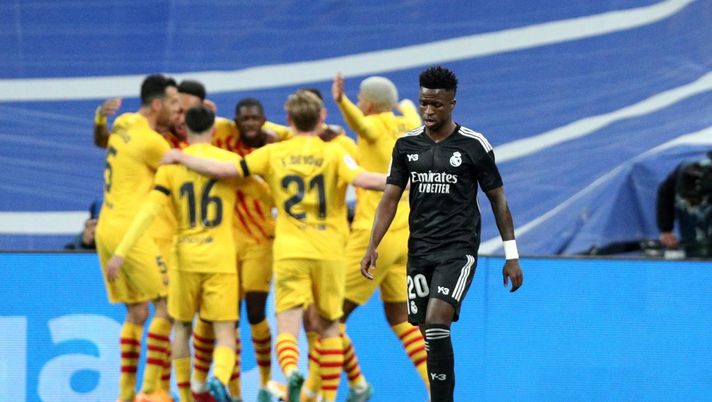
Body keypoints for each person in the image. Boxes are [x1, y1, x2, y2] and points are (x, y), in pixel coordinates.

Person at [161, 90, 388, 402]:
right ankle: (328, 396)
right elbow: (366, 180)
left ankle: (291, 369)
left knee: (287, 326)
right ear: (321, 118)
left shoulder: (273, 154)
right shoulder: (334, 153)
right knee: (330, 326)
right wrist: (407, 177)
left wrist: (182, 156)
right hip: (330, 250)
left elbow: (227, 170)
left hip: (291, 249)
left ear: (289, 120)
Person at [360, 66, 523, 402]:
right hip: (419, 251)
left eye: (436, 104)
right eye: (424, 104)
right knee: (426, 332)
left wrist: (512, 255)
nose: (429, 111)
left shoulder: (474, 145)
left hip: (458, 249)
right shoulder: (406, 145)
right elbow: (390, 198)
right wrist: (372, 244)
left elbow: (498, 199)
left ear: (452, 104)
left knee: (436, 321)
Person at [106, 105, 246, 402]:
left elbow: (149, 209)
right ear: (213, 129)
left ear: (185, 129)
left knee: (180, 326)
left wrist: (121, 251)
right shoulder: (231, 162)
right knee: (224, 333)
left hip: (184, 259)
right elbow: (263, 190)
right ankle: (215, 379)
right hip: (220, 258)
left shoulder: (170, 166)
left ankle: (187, 393)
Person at [330, 72, 426, 402]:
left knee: (326, 317)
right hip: (406, 237)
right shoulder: (410, 125)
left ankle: (347, 386)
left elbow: (362, 125)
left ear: (368, 105)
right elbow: (412, 111)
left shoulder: (372, 128)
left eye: (359, 100)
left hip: (375, 235)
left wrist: (341, 101)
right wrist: (406, 104)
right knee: (401, 318)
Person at [94, 74, 181, 402]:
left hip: (106, 227)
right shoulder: (153, 143)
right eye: (172, 103)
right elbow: (184, 170)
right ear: (156, 104)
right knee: (167, 306)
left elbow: (101, 140)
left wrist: (100, 117)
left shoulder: (124, 122)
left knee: (136, 313)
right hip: (131, 231)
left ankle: (125, 395)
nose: (176, 109)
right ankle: (148, 391)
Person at [656, 152, 712, 258]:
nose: (692, 205)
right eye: (688, 200)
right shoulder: (680, 173)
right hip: (692, 242)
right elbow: (665, 193)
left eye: (696, 201)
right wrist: (666, 229)